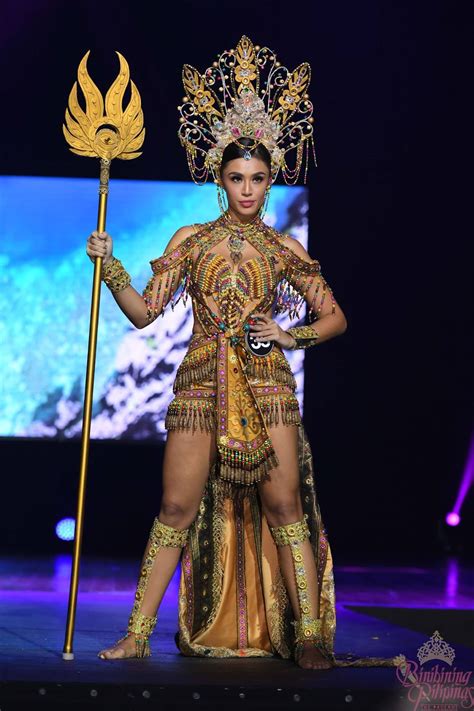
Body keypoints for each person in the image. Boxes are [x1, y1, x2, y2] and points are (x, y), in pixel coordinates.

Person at [86, 36, 398, 671]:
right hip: (200, 389)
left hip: (267, 388)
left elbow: (335, 317)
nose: (248, 189)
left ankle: (309, 633)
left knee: (284, 507)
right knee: (174, 509)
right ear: (220, 178)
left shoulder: (284, 248)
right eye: (236, 178)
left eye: (258, 178)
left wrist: (292, 336)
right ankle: (137, 633)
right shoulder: (192, 239)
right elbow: (147, 314)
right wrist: (111, 266)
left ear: (270, 178)